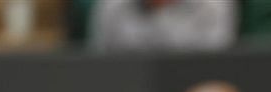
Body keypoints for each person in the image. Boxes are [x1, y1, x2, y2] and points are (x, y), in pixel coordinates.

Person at [90, 0, 237, 51]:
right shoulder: (111, 7)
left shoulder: (213, 6)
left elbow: (218, 64)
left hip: (199, 89)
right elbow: (101, 62)